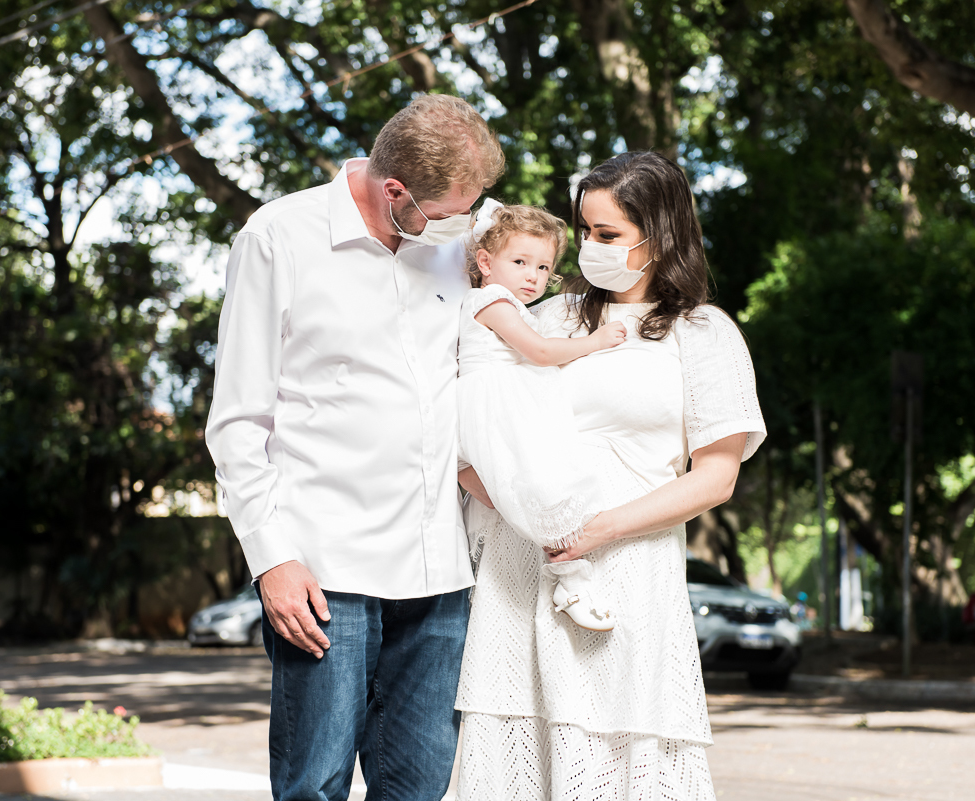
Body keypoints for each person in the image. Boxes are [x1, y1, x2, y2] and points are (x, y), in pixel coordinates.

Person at [205, 95, 504, 801]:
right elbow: (238, 419)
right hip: (323, 572)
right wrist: (271, 557)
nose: (465, 224)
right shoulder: (279, 236)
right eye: (451, 210)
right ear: (393, 189)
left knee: (419, 787)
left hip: (438, 574)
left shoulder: (454, 249)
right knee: (315, 786)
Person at [455, 151, 766, 799]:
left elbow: (715, 478)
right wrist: (526, 516)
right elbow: (473, 433)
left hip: (627, 585)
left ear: (662, 236)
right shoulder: (544, 320)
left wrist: (597, 530)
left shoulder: (703, 334)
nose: (589, 247)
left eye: (607, 235)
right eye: (585, 230)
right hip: (522, 575)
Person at [457, 200, 627, 631]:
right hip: (497, 403)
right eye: (520, 262)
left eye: (543, 267)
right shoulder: (492, 300)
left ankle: (564, 575)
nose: (533, 276)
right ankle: (570, 577)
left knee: (520, 493)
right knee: (541, 484)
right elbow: (541, 352)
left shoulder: (504, 302)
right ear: (485, 262)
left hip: (501, 397)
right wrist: (598, 341)